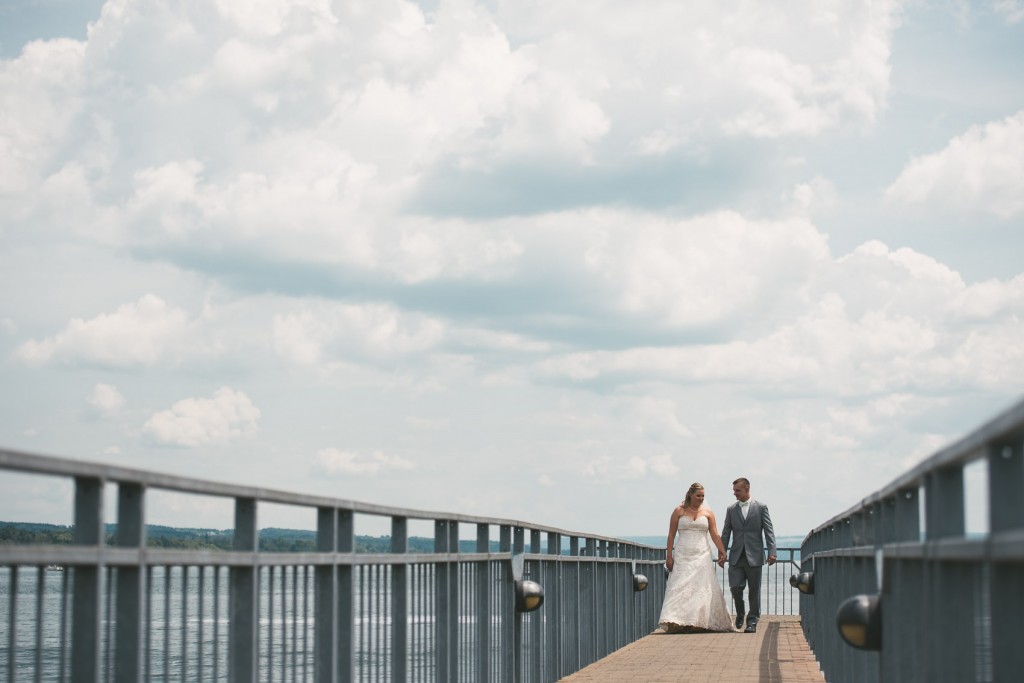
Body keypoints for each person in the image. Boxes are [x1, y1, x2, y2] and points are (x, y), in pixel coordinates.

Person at [658, 482, 735, 633]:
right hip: (683, 554)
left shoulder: (708, 513)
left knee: (700, 587)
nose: (701, 498)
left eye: (703, 496)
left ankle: (697, 621)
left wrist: (722, 551)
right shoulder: (679, 511)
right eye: (698, 495)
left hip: (702, 554)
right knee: (680, 587)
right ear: (690, 495)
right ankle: (677, 621)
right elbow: (671, 535)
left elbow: (714, 534)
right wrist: (669, 556)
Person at [718, 477, 776, 633]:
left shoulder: (761, 507)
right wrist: (722, 553)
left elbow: (769, 531)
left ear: (747, 489)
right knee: (735, 587)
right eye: (734, 491)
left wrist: (772, 552)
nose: (735, 494)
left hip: (755, 555)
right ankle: (740, 612)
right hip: (736, 555)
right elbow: (726, 533)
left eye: (737, 490)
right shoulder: (731, 509)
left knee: (754, 591)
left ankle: (752, 621)